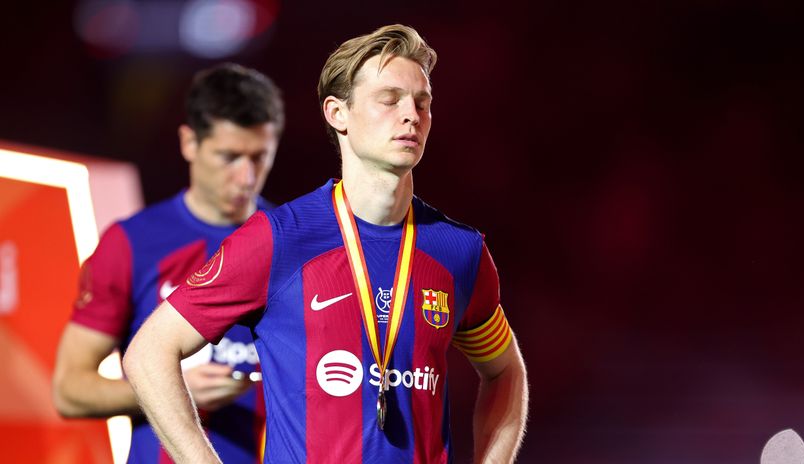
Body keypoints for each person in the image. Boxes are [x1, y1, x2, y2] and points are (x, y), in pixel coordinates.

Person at [123, 24, 528, 463]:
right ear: (337, 114)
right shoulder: (279, 239)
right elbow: (149, 353)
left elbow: (505, 371)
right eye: (389, 99)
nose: (411, 114)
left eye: (423, 102)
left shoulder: (459, 251)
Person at [52, 62, 285, 463]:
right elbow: (69, 390)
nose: (246, 177)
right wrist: (173, 390)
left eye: (259, 157)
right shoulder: (132, 242)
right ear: (189, 142)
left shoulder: (294, 242)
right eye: (229, 157)